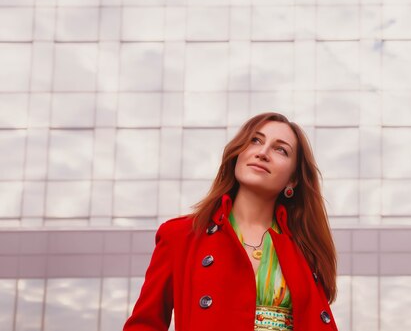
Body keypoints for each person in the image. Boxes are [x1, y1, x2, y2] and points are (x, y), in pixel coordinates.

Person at [123, 112, 339, 331]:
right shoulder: (180, 235)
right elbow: (144, 325)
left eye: (280, 149)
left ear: (293, 179)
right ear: (238, 153)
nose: (263, 153)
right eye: (255, 140)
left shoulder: (304, 250)